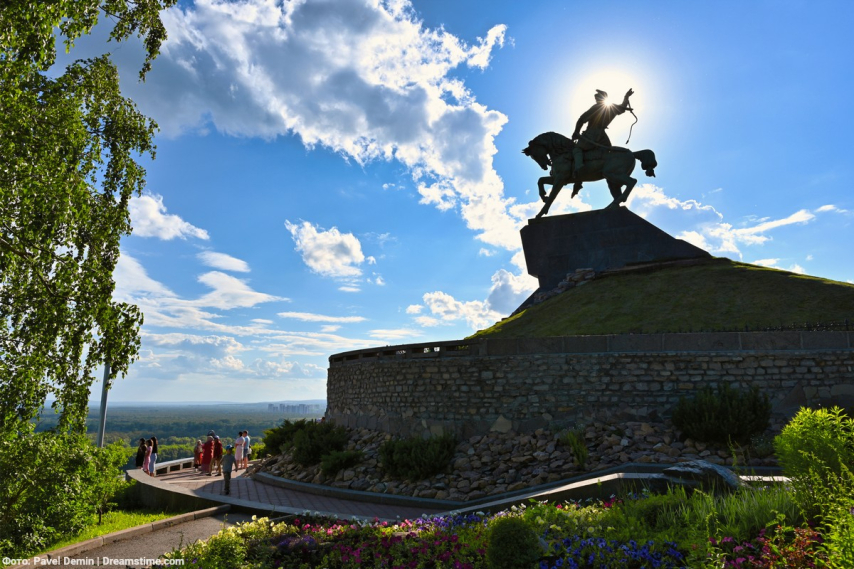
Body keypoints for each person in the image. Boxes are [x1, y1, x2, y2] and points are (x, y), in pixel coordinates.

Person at [571, 88, 634, 178]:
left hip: (591, 133)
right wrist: (626, 96)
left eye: (597, 98)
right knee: (608, 152)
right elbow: (623, 107)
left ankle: (578, 167)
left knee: (577, 149)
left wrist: (576, 132)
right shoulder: (612, 107)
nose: (596, 99)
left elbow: (582, 119)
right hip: (602, 136)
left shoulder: (596, 107)